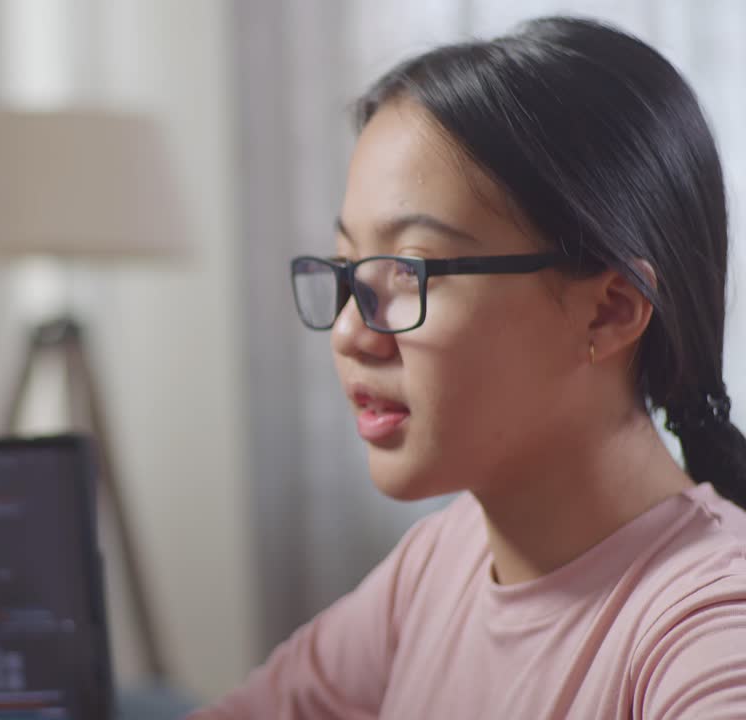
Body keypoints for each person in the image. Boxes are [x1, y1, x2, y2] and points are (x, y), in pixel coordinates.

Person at [194, 16, 746, 719]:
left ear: (609, 311)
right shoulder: (444, 559)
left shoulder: (709, 625)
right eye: (347, 269)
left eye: (410, 269)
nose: (349, 331)